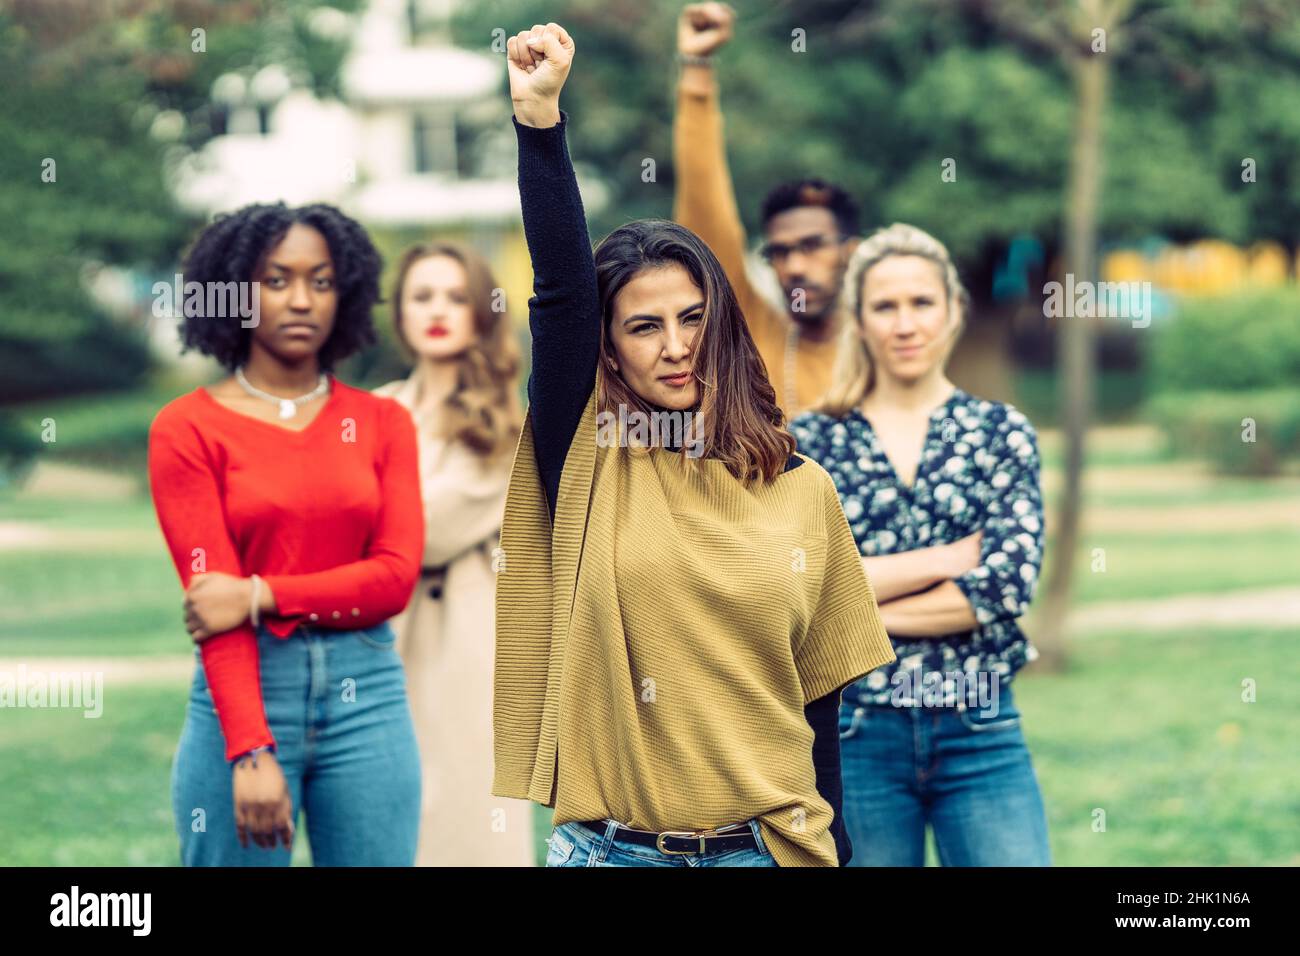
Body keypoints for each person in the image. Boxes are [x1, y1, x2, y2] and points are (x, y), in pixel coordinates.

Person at [492, 22, 895, 868]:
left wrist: (838, 853)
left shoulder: (799, 485)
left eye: (691, 318)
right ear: (609, 347)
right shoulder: (588, 456)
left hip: (767, 850)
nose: (674, 345)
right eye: (643, 327)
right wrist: (539, 122)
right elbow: (562, 293)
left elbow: (817, 703)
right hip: (613, 854)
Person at [147, 202, 424, 865]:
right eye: (277, 280)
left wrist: (256, 595)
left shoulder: (383, 422)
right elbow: (212, 606)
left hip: (370, 695)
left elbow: (392, 580)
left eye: (321, 281)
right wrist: (249, 750)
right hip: (244, 693)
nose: (302, 300)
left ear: (345, 292)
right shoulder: (187, 429)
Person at [790, 222, 1052, 866]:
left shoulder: (1000, 433)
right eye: (885, 306)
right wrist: (944, 561)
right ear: (859, 319)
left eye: (921, 303)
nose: (905, 324)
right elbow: (798, 586)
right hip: (854, 734)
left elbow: (1004, 586)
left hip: (980, 729)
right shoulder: (812, 443)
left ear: (954, 311)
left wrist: (854, 611)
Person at [373, 240, 534, 866]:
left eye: (455, 296)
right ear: (401, 313)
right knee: (387, 815)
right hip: (378, 638)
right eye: (422, 296)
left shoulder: (501, 421)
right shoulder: (374, 410)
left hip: (470, 646)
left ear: (480, 312)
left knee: (470, 818)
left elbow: (428, 529)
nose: (437, 310)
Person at [673, 2, 861, 416]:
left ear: (851, 251)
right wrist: (697, 67)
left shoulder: (885, 348)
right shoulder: (753, 333)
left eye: (813, 246)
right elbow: (704, 206)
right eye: (780, 251)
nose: (794, 266)